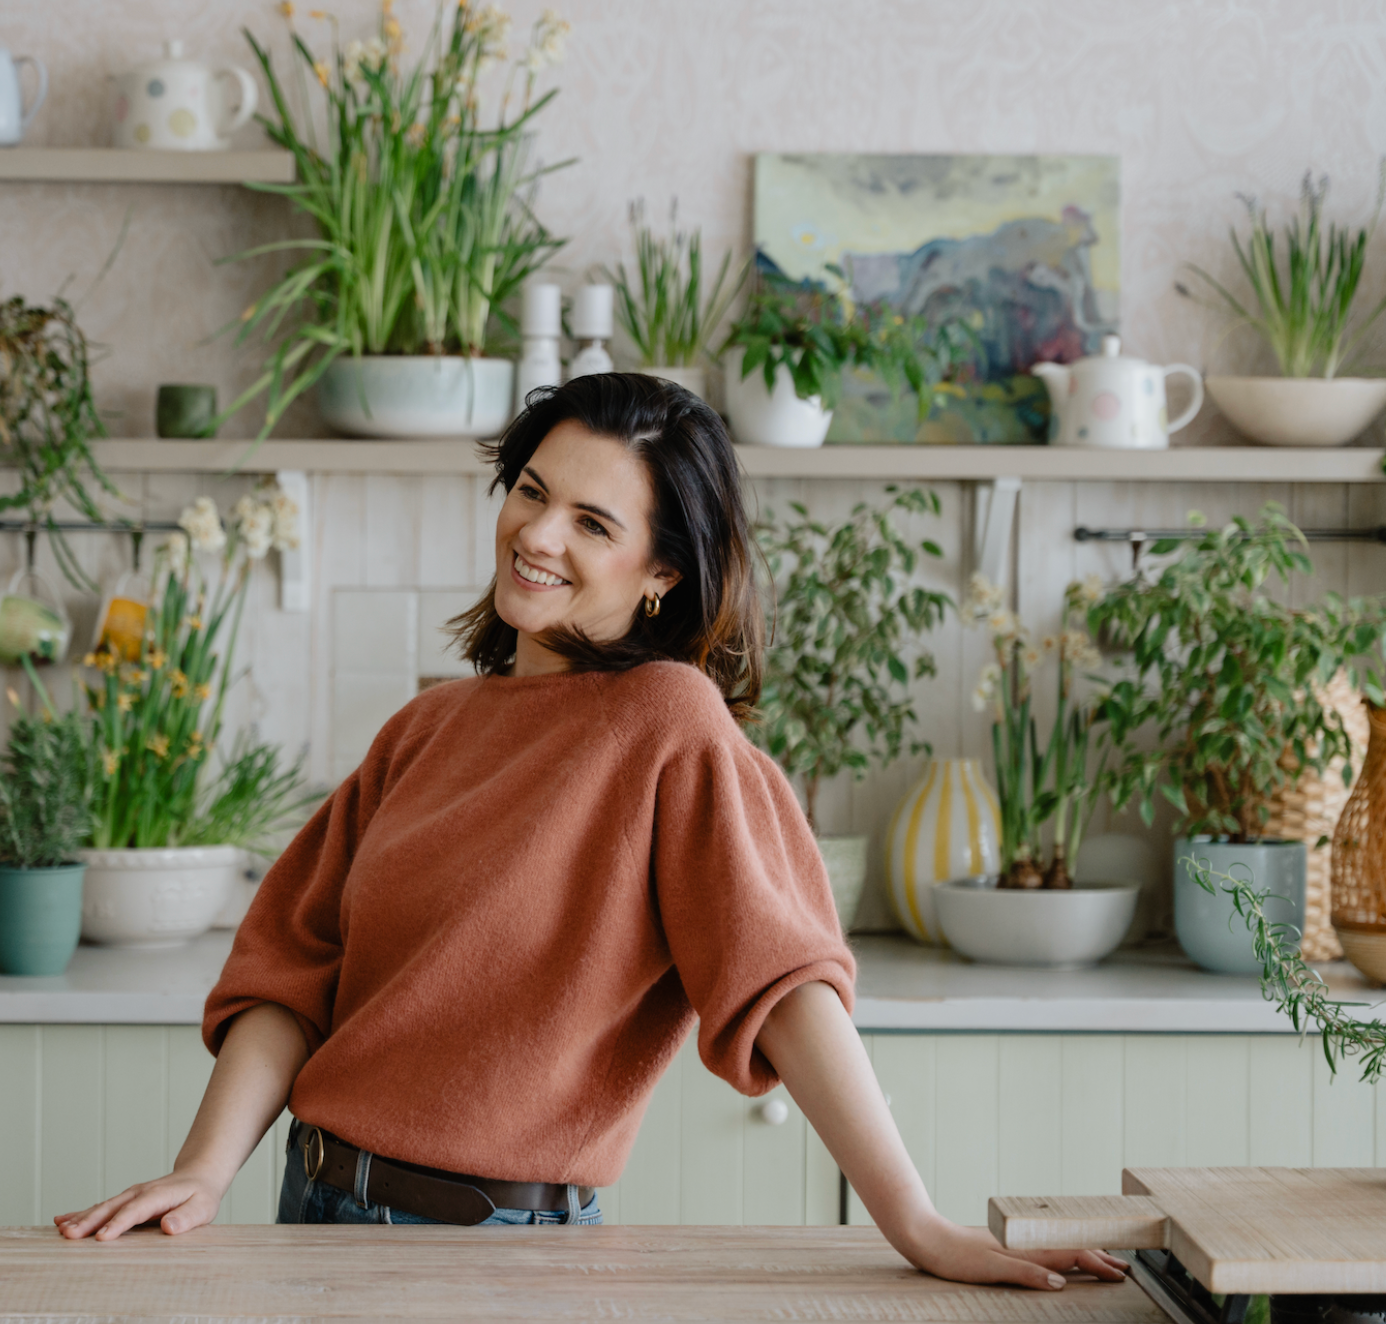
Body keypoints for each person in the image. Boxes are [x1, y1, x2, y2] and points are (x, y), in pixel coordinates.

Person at [55, 374, 1123, 1291]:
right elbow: (293, 972)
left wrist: (917, 1223)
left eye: (593, 523)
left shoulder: (668, 723)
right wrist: (203, 1171)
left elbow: (786, 980)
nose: (538, 535)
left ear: (663, 573)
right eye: (532, 491)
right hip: (312, 1207)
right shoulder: (426, 727)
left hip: (498, 1255)